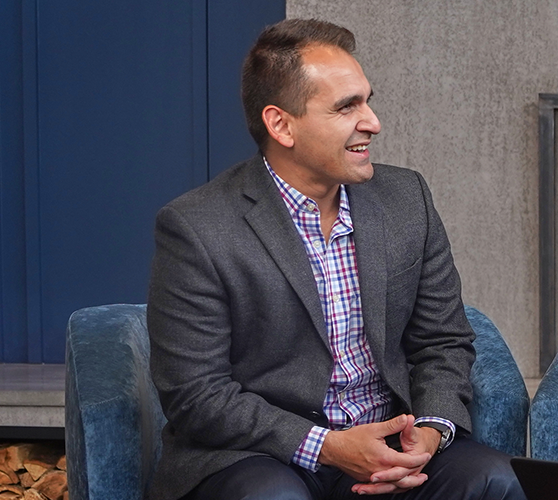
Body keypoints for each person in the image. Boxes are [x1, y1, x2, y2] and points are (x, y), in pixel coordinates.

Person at [147, 19, 523, 500]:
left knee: (495, 480)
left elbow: (443, 342)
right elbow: (196, 394)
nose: (373, 121)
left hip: (389, 442)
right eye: (347, 107)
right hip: (259, 456)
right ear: (281, 124)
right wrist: (327, 446)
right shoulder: (197, 227)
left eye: (368, 99)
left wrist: (427, 434)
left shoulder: (406, 199)